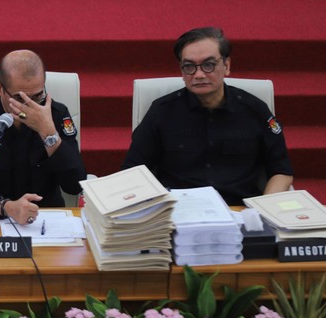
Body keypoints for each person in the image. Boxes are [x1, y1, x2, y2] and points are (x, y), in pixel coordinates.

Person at [122, 27, 293, 205]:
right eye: (189, 66)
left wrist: (262, 213)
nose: (199, 74)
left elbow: (281, 171)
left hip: (240, 211)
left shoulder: (255, 110)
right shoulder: (161, 111)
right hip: (178, 212)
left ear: (226, 66)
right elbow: (132, 172)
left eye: (208, 65)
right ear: (181, 70)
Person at [0, 49, 87, 225]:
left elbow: (75, 185)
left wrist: (48, 133)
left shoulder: (57, 115)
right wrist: (5, 207)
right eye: (20, 98)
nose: (30, 105)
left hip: (46, 218)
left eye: (38, 96)